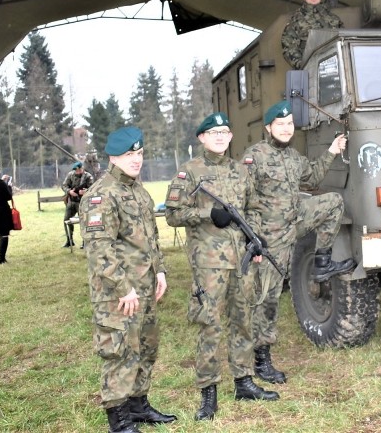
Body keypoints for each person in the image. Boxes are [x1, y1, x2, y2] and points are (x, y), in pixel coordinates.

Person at [165, 112, 279, 422]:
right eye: (213, 132)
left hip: (240, 262)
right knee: (210, 326)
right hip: (209, 264)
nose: (219, 137)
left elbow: (251, 210)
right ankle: (209, 393)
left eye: (224, 132)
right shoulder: (188, 173)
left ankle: (244, 382)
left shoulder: (240, 172)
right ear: (201, 138)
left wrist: (255, 242)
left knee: (243, 321)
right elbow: (172, 214)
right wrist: (206, 214)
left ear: (230, 138)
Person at [243, 100, 356, 384]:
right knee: (267, 298)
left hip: (295, 220)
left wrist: (332, 151)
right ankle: (261, 359)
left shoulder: (294, 157)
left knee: (332, 203)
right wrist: (253, 239)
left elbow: (314, 176)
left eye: (290, 124)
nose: (286, 128)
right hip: (269, 237)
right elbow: (242, 199)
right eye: (280, 124)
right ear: (269, 127)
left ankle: (322, 262)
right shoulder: (254, 156)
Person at [79, 126, 176, 433]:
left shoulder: (138, 191)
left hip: (145, 287)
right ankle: (119, 419)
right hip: (118, 292)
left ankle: (138, 404)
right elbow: (99, 250)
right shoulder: (100, 195)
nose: (136, 160)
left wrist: (159, 270)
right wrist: (124, 287)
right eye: (129, 155)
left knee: (146, 345)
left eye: (140, 153)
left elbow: (151, 237)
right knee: (119, 350)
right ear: (113, 157)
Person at [281, 0, 343, 68]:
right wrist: (305, 67)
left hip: (336, 68)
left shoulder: (334, 19)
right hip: (313, 73)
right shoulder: (296, 22)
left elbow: (344, 41)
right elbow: (289, 49)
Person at [62, 161, 94, 248]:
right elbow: (64, 185)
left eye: (79, 170)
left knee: (84, 222)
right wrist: (70, 191)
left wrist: (85, 191)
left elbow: (93, 189)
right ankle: (69, 241)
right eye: (76, 171)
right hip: (71, 202)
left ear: (82, 168)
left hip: (82, 203)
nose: (77, 172)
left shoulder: (88, 176)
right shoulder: (70, 175)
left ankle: (85, 242)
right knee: (66, 220)